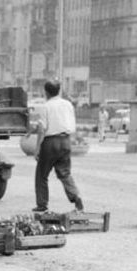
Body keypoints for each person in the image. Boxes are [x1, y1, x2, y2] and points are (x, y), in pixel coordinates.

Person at [32, 79, 84, 213]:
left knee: (42, 175)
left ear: (46, 92)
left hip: (50, 142)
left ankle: (42, 204)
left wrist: (37, 148)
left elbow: (42, 128)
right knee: (65, 173)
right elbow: (70, 124)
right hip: (66, 141)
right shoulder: (68, 104)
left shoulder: (46, 106)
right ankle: (75, 196)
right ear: (59, 91)